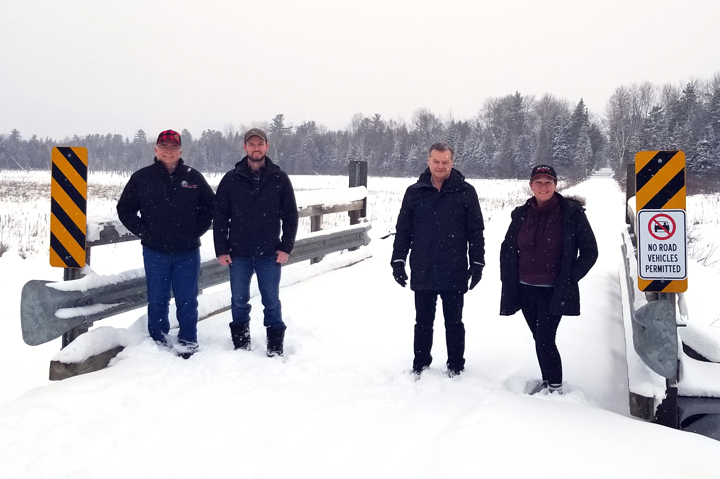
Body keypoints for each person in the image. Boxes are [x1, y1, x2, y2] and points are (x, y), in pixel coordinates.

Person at [117, 129, 215, 359]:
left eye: (173, 147)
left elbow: (210, 206)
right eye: (164, 146)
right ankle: (158, 342)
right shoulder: (142, 178)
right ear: (156, 149)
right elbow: (125, 209)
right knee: (158, 298)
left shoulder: (193, 177)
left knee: (187, 299)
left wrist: (196, 231)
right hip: (155, 251)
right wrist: (144, 232)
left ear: (180, 151)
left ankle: (188, 340)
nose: (168, 151)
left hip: (187, 251)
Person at [499, 165, 598, 394]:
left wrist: (570, 277)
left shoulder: (571, 214)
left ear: (555, 185)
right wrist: (508, 277)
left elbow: (590, 251)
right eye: (538, 182)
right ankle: (547, 381)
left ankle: (555, 388)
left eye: (548, 182)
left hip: (553, 291)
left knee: (545, 338)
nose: (543, 186)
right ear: (531, 185)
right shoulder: (521, 214)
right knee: (539, 338)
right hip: (524, 289)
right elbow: (508, 248)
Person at [391, 141, 485, 378]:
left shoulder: (465, 192)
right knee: (422, 321)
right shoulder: (414, 192)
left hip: (454, 268)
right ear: (428, 161)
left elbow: (475, 231)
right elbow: (404, 230)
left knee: (454, 322)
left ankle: (456, 365)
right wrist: (398, 260)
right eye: (436, 161)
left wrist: (477, 263)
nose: (441, 166)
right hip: (423, 267)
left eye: (445, 162)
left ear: (452, 162)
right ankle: (420, 365)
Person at [214, 128, 298, 357]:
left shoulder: (279, 178)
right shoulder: (231, 179)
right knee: (239, 301)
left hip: (269, 254)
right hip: (238, 253)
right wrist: (221, 249)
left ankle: (275, 346)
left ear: (267, 146)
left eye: (259, 144)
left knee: (271, 301)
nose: (256, 148)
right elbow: (221, 216)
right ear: (245, 148)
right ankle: (241, 345)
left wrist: (285, 246)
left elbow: (290, 215)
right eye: (251, 144)